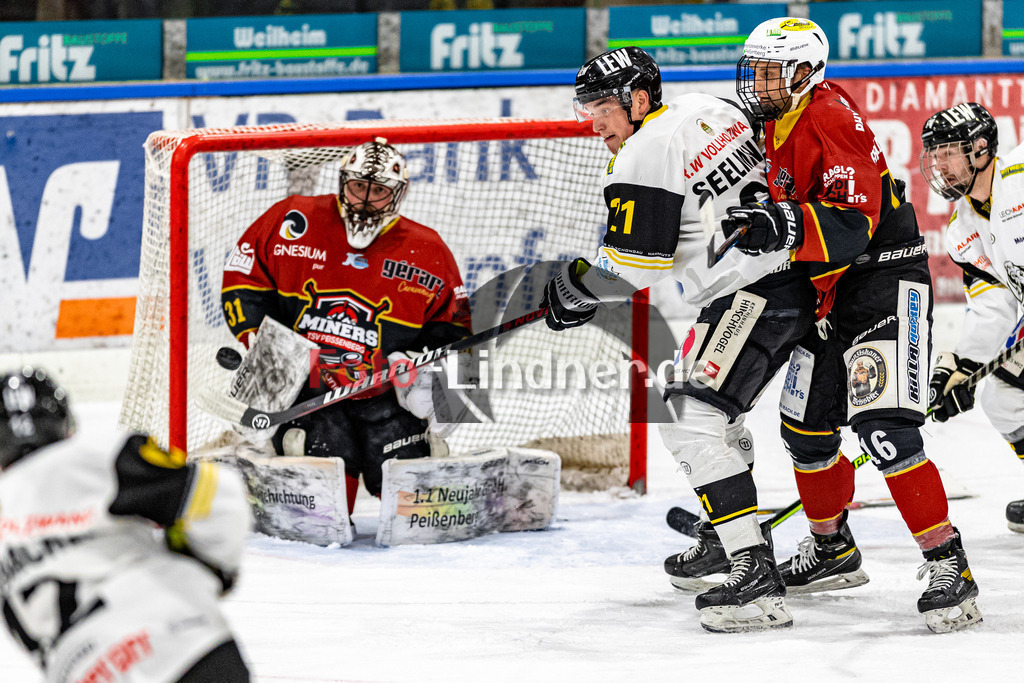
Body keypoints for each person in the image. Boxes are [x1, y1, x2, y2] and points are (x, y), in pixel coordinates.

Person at [544, 46, 820, 632]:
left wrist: (576, 289)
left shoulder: (642, 151)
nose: (592, 121)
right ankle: (730, 536)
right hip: (794, 277)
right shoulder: (712, 108)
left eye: (601, 108)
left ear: (638, 99)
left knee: (687, 416)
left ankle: (756, 578)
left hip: (752, 293)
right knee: (716, 418)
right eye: (586, 106)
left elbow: (638, 262)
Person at [723, 16, 981, 633]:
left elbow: (849, 226)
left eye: (769, 70)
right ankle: (832, 548)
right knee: (805, 430)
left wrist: (780, 225)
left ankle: (949, 563)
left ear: (805, 73)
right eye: (753, 67)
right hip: (828, 289)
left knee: (885, 428)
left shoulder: (829, 118)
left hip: (883, 283)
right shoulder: (772, 116)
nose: (756, 81)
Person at [221, 138, 472, 515]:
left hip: (383, 396)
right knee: (324, 492)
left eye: (379, 191)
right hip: (309, 394)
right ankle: (275, 461)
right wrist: (259, 341)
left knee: (407, 481)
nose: (366, 200)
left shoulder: (429, 250)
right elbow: (244, 277)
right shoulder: (295, 219)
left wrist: (434, 376)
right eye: (358, 187)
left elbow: (454, 328)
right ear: (342, 183)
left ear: (398, 194)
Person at [0, 367, 252, 681]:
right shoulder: (98, 454)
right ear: (65, 424)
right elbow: (221, 497)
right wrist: (208, 568)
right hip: (183, 645)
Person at [920, 101, 1024, 533]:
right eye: (935, 154)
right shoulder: (963, 228)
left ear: (980, 150)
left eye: (948, 151)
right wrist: (961, 366)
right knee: (1004, 398)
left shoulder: (1020, 176)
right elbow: (993, 303)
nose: (939, 164)